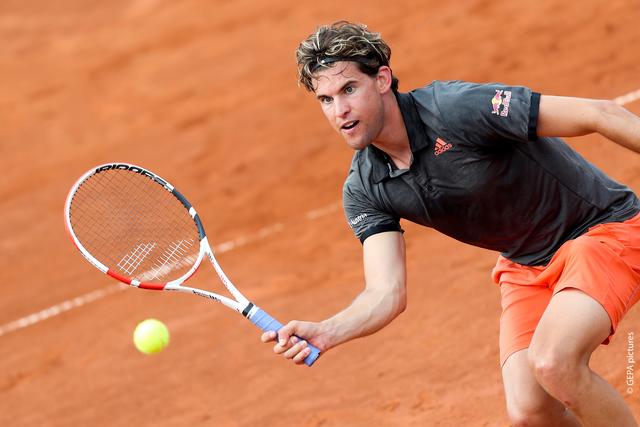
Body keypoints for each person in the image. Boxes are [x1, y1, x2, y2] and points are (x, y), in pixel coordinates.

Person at [261, 21, 640, 426]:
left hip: (602, 230)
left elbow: (599, 112)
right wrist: (328, 331)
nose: (340, 111)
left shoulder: (454, 109)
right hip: (527, 266)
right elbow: (386, 291)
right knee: (530, 412)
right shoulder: (365, 188)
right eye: (326, 99)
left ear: (383, 79)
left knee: (554, 362)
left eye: (349, 89)